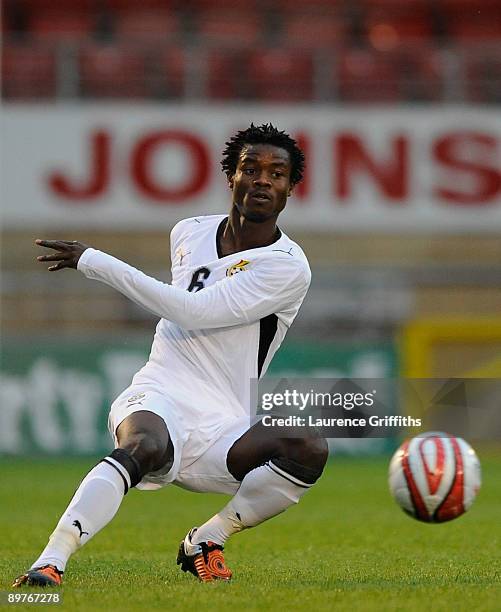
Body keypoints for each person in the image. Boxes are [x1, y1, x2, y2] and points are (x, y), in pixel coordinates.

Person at [13, 123, 328, 587]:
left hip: (224, 426)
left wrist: (93, 261)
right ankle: (50, 562)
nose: (263, 180)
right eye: (251, 168)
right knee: (144, 445)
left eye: (277, 174)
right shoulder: (189, 232)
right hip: (159, 393)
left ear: (289, 190)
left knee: (309, 446)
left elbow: (192, 309)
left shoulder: (286, 267)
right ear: (231, 176)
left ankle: (208, 538)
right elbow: (183, 301)